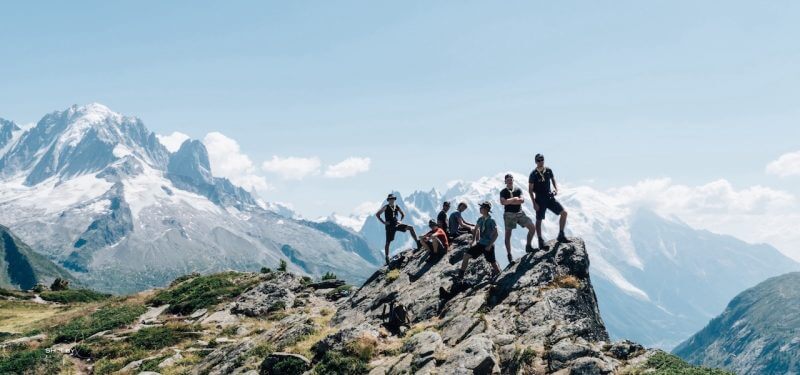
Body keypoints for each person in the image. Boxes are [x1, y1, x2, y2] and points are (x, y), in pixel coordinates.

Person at [528, 153, 570, 250]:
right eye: (538, 160)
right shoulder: (533, 174)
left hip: (550, 198)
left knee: (564, 213)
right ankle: (540, 241)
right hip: (539, 199)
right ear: (535, 162)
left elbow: (553, 180)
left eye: (542, 159)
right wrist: (534, 203)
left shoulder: (548, 170)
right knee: (539, 220)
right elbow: (530, 190)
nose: (540, 161)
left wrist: (555, 189)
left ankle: (561, 234)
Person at [457, 201, 501, 280]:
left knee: (493, 263)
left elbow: (496, 234)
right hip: (480, 244)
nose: (480, 209)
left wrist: (490, 245)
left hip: (488, 245)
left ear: (486, 209)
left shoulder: (491, 220)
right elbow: (475, 229)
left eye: (481, 208)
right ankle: (460, 276)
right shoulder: (480, 219)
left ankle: (499, 276)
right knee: (466, 256)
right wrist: (473, 241)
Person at [499, 174, 537, 262]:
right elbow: (503, 202)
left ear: (513, 180)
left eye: (511, 179)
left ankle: (528, 246)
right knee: (508, 235)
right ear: (505, 181)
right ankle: (509, 254)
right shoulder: (503, 191)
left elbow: (522, 200)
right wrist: (515, 199)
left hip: (520, 213)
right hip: (509, 214)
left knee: (532, 227)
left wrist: (509, 201)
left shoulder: (518, 190)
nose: (509, 181)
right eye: (508, 180)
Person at [376, 193, 420, 264]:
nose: (392, 200)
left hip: (396, 224)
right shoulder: (386, 207)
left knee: (411, 228)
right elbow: (377, 214)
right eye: (390, 199)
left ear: (394, 199)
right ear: (388, 200)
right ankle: (387, 257)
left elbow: (403, 214)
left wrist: (400, 220)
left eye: (393, 199)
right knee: (388, 242)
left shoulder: (397, 206)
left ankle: (418, 242)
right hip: (389, 227)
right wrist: (384, 222)